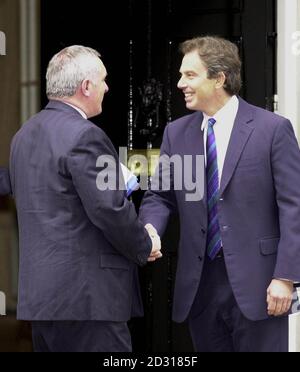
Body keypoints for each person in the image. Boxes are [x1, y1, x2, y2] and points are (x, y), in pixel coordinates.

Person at [139, 36, 300, 352]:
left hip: (261, 286)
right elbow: (160, 195)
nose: (179, 83)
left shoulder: (272, 130)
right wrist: (149, 231)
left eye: (190, 75)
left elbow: (294, 206)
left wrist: (286, 276)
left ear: (219, 78)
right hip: (200, 287)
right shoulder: (176, 133)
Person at [9, 45, 162, 352]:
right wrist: (145, 244)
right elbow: (108, 208)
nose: (107, 87)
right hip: (87, 300)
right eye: (103, 80)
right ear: (86, 87)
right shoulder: (85, 135)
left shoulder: (23, 135)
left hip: (42, 302)